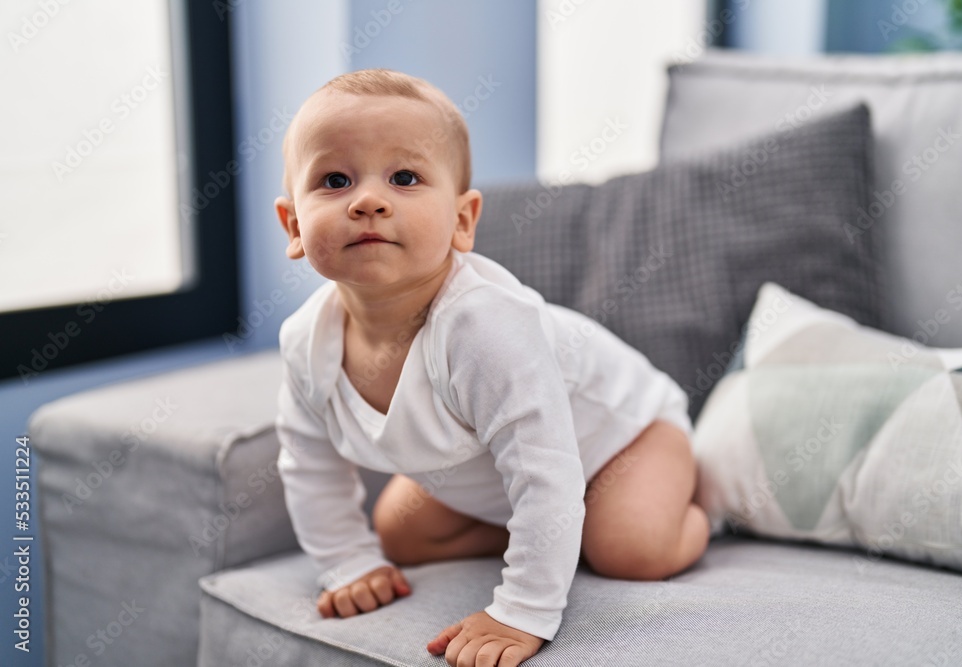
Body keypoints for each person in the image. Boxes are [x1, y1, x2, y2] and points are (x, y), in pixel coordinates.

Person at [274, 68, 710, 667]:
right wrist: (347, 561)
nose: (368, 200)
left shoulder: (484, 327)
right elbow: (307, 460)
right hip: (496, 475)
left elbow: (546, 467)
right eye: (334, 179)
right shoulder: (306, 343)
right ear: (295, 226)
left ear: (462, 220)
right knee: (399, 532)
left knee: (631, 550)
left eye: (404, 177)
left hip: (620, 440)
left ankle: (701, 498)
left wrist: (521, 610)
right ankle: (560, 532)